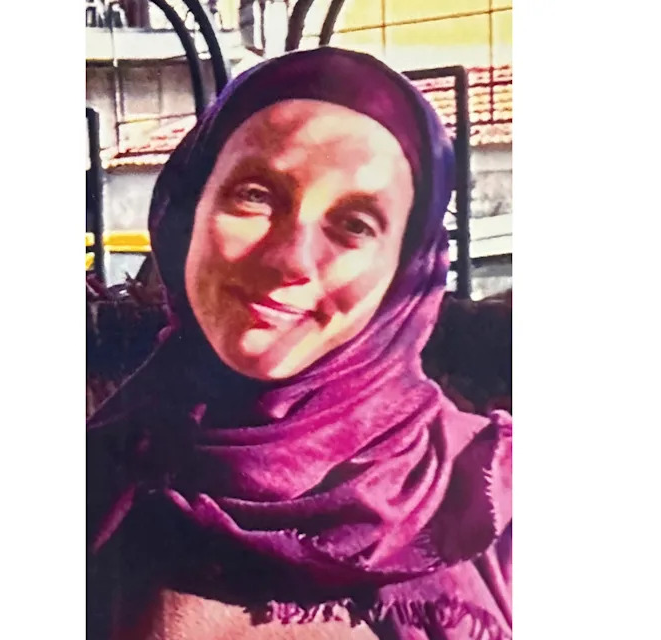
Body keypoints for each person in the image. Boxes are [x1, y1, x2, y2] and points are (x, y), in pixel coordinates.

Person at [87, 47, 512, 640]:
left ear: (408, 267)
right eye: (256, 195)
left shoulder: (491, 495)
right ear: (187, 208)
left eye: (355, 224)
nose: (290, 260)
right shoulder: (98, 484)